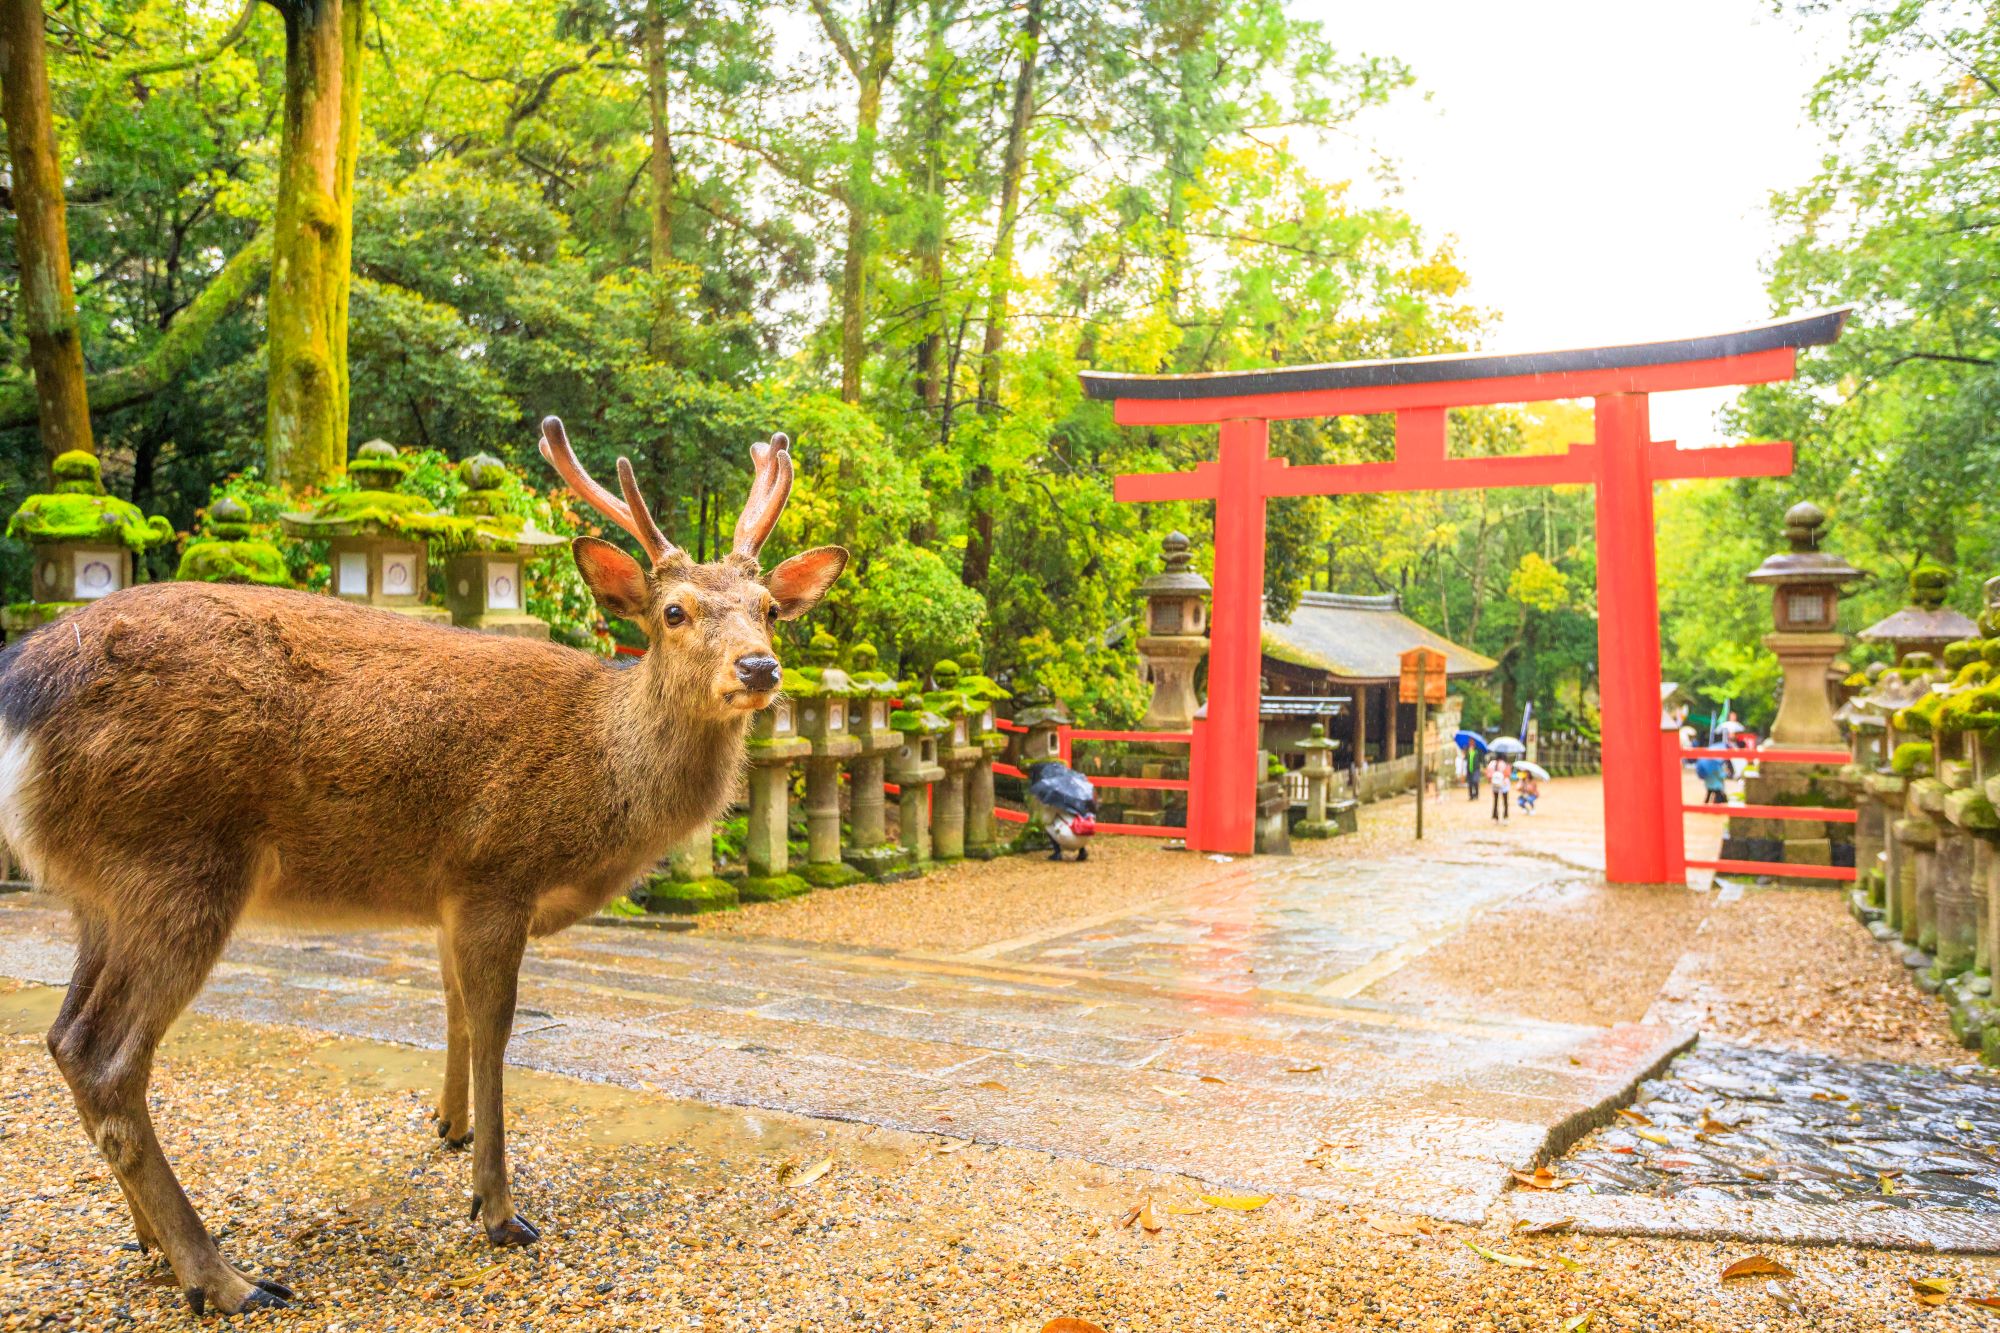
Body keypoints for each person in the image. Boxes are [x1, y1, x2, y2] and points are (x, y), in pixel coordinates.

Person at [1486, 754, 1512, 821]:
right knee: (1505, 801)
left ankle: (1495, 815)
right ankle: (1505, 816)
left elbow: (1488, 774)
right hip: (1504, 784)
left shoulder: (1492, 763)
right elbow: (1508, 774)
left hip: (1495, 784)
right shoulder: (1505, 764)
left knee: (1495, 801)